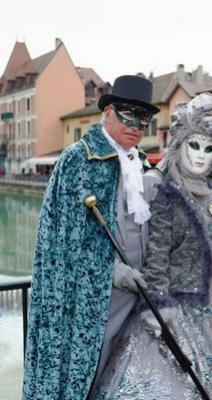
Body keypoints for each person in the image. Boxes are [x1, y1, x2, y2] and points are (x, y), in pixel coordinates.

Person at [94, 93, 212, 399]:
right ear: (180, 141)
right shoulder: (157, 185)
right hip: (168, 311)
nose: (201, 155)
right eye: (194, 144)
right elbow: (155, 253)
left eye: (209, 148)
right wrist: (159, 308)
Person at [23, 75, 160, 400]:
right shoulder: (78, 160)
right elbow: (59, 242)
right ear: (108, 112)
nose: (138, 126)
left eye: (145, 119)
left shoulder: (141, 163)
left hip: (138, 295)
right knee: (88, 375)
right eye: (129, 115)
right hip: (91, 300)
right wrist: (110, 271)